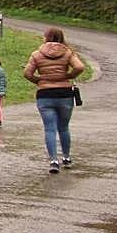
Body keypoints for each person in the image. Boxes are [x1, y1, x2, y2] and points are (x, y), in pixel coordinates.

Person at [24, 27, 85, 173]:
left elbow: (27, 73)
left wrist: (39, 80)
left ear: (46, 37)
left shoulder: (37, 54)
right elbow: (79, 67)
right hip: (64, 94)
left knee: (49, 128)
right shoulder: (67, 52)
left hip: (45, 94)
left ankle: (53, 160)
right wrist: (68, 76)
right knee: (63, 127)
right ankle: (67, 157)